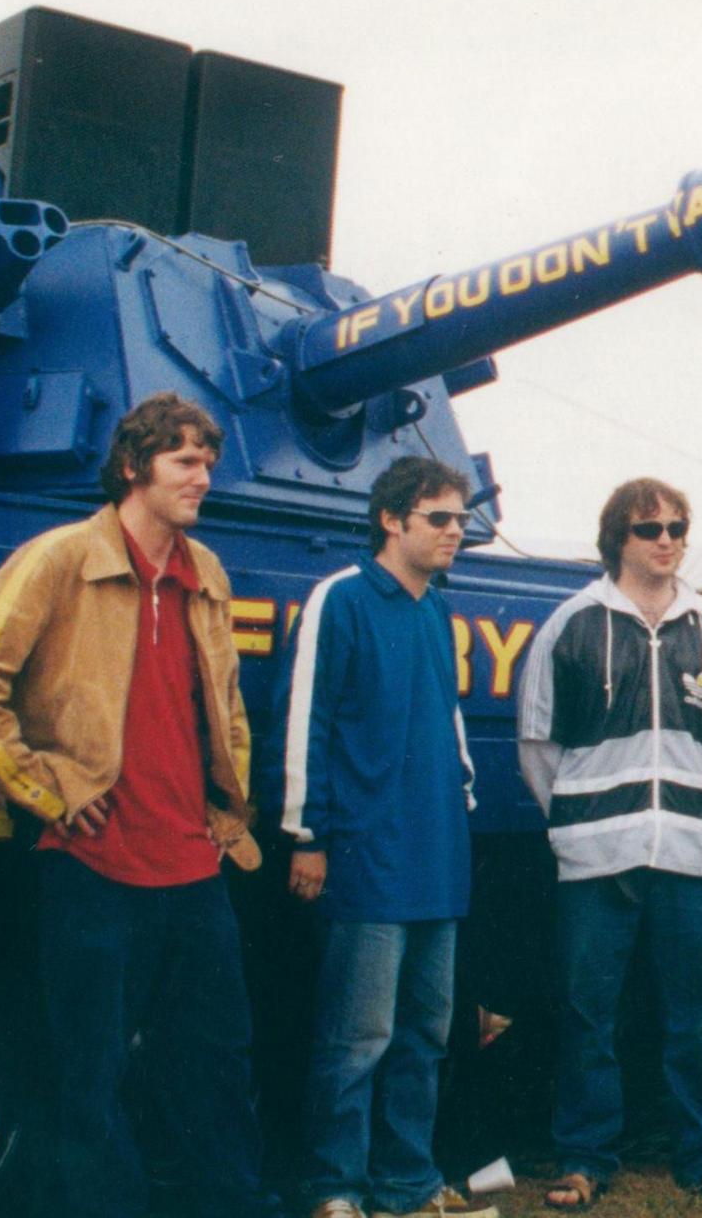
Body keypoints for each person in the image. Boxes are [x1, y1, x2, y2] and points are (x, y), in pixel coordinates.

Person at [0, 392, 273, 1218]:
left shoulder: (205, 569)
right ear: (131, 466)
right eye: (184, 460)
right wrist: (39, 787)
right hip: (96, 866)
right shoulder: (62, 556)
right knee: (91, 1075)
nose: (203, 476)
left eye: (208, 461)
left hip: (193, 865)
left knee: (217, 1063)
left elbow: (224, 704)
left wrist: (228, 810)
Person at [517, 478, 702, 1211]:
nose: (667, 540)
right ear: (616, 539)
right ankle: (584, 1157)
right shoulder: (571, 623)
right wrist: (583, 822)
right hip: (597, 853)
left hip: (691, 852)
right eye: (649, 528)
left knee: (695, 1016)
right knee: (590, 1014)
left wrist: (688, 816)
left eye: (677, 527)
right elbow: (538, 746)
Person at [277, 456, 491, 1218]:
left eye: (462, 518)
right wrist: (308, 832)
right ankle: (334, 1186)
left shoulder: (437, 608)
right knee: (357, 1036)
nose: (456, 531)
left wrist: (461, 796)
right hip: (368, 857)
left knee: (425, 1033)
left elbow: (448, 717)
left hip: (437, 855)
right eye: (440, 517)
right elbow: (306, 719)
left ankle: (409, 1182)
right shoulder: (340, 597)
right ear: (391, 520)